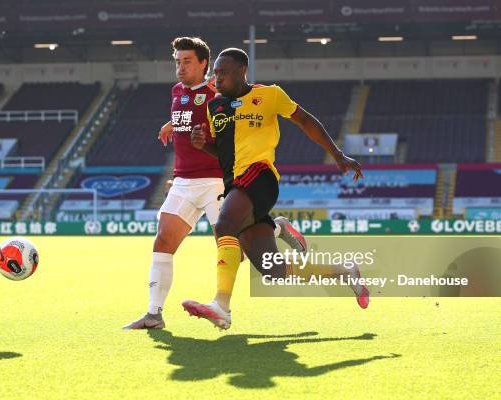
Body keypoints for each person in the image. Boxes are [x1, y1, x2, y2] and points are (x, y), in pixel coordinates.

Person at [183, 48, 368, 330]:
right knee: (274, 271)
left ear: (242, 71)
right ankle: (345, 271)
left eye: (223, 72)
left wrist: (338, 154)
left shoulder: (269, 95)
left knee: (224, 225)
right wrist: (202, 145)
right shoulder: (214, 107)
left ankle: (221, 305)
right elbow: (223, 152)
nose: (216, 78)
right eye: (215, 73)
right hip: (235, 184)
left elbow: (305, 120)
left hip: (260, 176)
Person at [124, 38, 302, 330]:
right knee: (163, 240)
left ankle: (275, 226)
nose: (180, 68)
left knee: (237, 249)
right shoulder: (177, 91)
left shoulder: (221, 92)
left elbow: (244, 117)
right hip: (183, 180)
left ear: (204, 64)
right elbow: (188, 119)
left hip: (218, 180)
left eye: (187, 62)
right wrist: (171, 124)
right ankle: (153, 314)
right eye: (177, 62)